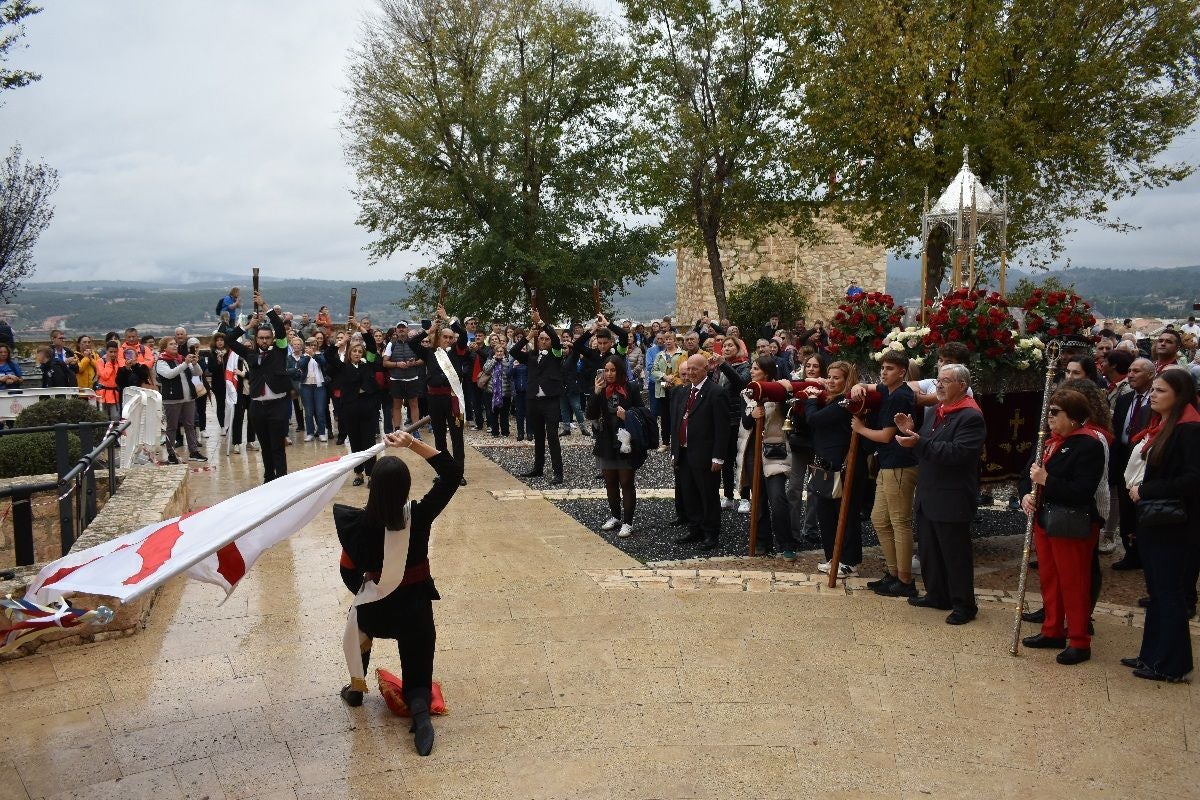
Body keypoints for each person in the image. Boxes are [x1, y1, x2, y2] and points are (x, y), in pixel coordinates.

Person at [333, 429, 462, 755]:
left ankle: (356, 688)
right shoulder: (419, 516)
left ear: (373, 488)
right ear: (406, 488)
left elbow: (347, 571)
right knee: (418, 657)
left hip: (375, 613)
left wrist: (368, 591)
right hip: (414, 611)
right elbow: (452, 474)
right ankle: (420, 710)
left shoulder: (358, 525)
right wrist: (412, 443)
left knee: (358, 617)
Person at [1018, 389, 1107, 664]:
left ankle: (1079, 640)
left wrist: (1046, 480)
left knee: (1074, 582)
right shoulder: (1047, 441)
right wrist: (1025, 495)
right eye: (1049, 410)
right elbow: (1026, 474)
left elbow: (1082, 490)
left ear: (1074, 417)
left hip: (1071, 522)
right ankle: (1052, 629)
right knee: (1050, 578)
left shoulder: (1089, 444)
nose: (1049, 416)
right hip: (1046, 519)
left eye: (1055, 412)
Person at [1123, 369, 1200, 682]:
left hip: (1174, 524)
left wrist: (1146, 490)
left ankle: (1171, 664)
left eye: (1161, 390)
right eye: (1153, 389)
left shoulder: (1189, 429)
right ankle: (1152, 654)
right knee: (1157, 590)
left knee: (1169, 592)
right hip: (1156, 520)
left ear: (1179, 396)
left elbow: (1193, 479)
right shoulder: (1163, 425)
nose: (1153, 395)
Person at [895, 363, 986, 625]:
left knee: (955, 554)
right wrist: (910, 432)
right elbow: (926, 444)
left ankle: (964, 605)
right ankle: (937, 595)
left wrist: (919, 442)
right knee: (930, 550)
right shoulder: (938, 409)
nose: (939, 386)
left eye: (946, 381)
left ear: (962, 385)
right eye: (938, 381)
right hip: (929, 492)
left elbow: (957, 453)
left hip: (952, 495)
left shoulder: (970, 416)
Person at [854, 351, 919, 596]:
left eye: (889, 368)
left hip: (900, 464)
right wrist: (859, 386)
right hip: (888, 463)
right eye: (882, 368)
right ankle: (893, 573)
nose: (884, 372)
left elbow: (886, 435)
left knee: (900, 522)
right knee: (880, 519)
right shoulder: (889, 389)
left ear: (902, 372)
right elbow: (871, 386)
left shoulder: (900, 395)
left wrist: (860, 429)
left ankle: (905, 581)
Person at [804, 361, 866, 578]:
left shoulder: (845, 403)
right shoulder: (831, 399)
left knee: (846, 514)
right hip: (826, 465)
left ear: (847, 380)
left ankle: (849, 562)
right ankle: (833, 557)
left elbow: (814, 419)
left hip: (845, 466)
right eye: (829, 377)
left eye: (836, 378)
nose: (831, 381)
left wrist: (811, 400)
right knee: (826, 513)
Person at [226, 291, 292, 482]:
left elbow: (279, 327)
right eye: (261, 338)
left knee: (277, 446)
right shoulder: (250, 354)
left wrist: (264, 305)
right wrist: (247, 326)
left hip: (278, 405)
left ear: (272, 339)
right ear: (256, 339)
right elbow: (229, 340)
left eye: (267, 338)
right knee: (265, 446)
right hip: (258, 407)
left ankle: (282, 479)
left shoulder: (279, 350)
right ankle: (268, 478)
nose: (264, 341)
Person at [671, 354, 731, 551]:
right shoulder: (682, 392)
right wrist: (674, 451)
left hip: (705, 454)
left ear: (706, 369)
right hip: (684, 453)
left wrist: (718, 456)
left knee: (708, 495)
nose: (690, 373)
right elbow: (676, 422)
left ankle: (711, 532)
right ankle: (694, 527)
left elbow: (722, 428)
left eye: (694, 369)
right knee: (689, 493)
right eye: (688, 369)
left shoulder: (716, 392)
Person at [741, 357, 797, 558]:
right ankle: (762, 542)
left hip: (774, 451)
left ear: (766, 372)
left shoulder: (779, 391)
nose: (752, 371)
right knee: (758, 499)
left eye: (756, 368)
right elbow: (745, 423)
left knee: (777, 498)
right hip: (753, 452)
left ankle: (786, 543)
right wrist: (752, 415)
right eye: (752, 368)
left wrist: (784, 391)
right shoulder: (747, 393)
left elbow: (788, 413)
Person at [408, 306, 469, 484]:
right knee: (439, 438)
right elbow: (412, 343)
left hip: (453, 399)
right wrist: (429, 330)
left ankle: (458, 473)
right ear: (439, 337)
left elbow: (463, 334)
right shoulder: (430, 353)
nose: (448, 340)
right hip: (435, 400)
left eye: (451, 337)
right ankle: (443, 472)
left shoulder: (458, 351)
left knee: (457, 437)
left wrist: (448, 318)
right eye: (445, 337)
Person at [587, 355, 644, 538]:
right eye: (606, 370)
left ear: (620, 371)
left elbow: (642, 412)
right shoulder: (602, 388)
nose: (609, 374)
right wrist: (596, 392)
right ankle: (615, 516)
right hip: (606, 439)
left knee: (626, 482)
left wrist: (627, 415)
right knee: (610, 481)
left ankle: (628, 522)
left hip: (625, 439)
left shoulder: (631, 387)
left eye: (613, 370)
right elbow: (590, 414)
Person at [326, 319, 385, 486]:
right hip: (350, 410)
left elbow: (371, 346)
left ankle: (371, 474)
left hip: (368, 411)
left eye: (360, 351)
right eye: (354, 351)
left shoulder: (368, 365)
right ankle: (358, 473)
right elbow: (328, 355)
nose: (357, 353)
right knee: (355, 443)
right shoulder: (343, 367)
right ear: (350, 353)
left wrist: (360, 327)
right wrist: (342, 341)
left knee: (369, 444)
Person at [510, 309, 566, 484]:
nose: (543, 341)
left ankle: (558, 472)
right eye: (541, 339)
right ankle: (538, 468)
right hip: (533, 400)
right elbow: (514, 351)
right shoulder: (532, 355)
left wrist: (541, 322)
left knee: (552, 436)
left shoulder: (556, 353)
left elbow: (555, 338)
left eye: (546, 339)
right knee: (538, 436)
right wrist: (528, 336)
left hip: (550, 400)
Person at [1111, 357, 1155, 571]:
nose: (1130, 375)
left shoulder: (1155, 400)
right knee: (1126, 506)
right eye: (1129, 370)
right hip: (1123, 458)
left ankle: (1145, 550)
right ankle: (1130, 551)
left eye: (1136, 371)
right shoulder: (1124, 399)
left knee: (1141, 505)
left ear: (1150, 374)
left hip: (1144, 459)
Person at [156, 336, 206, 464]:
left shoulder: (181, 359)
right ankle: (171, 454)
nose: (175, 345)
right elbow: (169, 374)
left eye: (175, 344)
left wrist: (194, 363)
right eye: (171, 344)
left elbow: (198, 373)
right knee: (172, 427)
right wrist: (185, 364)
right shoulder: (161, 361)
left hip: (188, 398)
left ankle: (193, 452)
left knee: (190, 425)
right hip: (172, 399)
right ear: (164, 348)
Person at [382, 323, 426, 434]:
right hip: (396, 379)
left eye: (403, 327)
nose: (401, 329)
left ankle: (415, 431)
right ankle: (397, 431)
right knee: (397, 405)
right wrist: (397, 364)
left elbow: (423, 359)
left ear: (407, 329)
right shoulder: (391, 344)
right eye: (399, 328)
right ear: (396, 330)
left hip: (412, 378)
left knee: (414, 404)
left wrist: (414, 363)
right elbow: (385, 362)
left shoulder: (414, 343)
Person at [651, 330, 684, 451]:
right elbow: (653, 370)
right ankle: (665, 442)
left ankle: (678, 440)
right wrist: (664, 377)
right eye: (666, 339)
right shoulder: (659, 355)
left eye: (670, 339)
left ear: (675, 340)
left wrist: (673, 379)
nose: (668, 341)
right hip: (663, 387)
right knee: (665, 416)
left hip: (678, 387)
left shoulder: (682, 354)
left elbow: (684, 369)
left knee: (678, 415)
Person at [298, 336, 329, 441]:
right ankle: (310, 433)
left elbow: (323, 363)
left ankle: (322, 432)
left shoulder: (321, 354)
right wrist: (308, 356)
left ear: (317, 346)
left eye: (314, 345)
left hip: (319, 387)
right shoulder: (303, 356)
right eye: (310, 345)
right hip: (306, 386)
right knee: (308, 412)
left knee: (320, 411)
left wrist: (314, 355)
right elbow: (301, 365)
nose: (312, 347)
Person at [481, 341, 513, 437]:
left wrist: (503, 361)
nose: (499, 353)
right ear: (494, 352)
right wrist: (494, 360)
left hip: (505, 392)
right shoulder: (490, 360)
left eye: (501, 351)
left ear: (504, 352)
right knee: (493, 413)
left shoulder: (507, 361)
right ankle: (495, 432)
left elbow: (509, 372)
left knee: (504, 414)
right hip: (492, 392)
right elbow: (486, 370)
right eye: (497, 351)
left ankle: (505, 432)